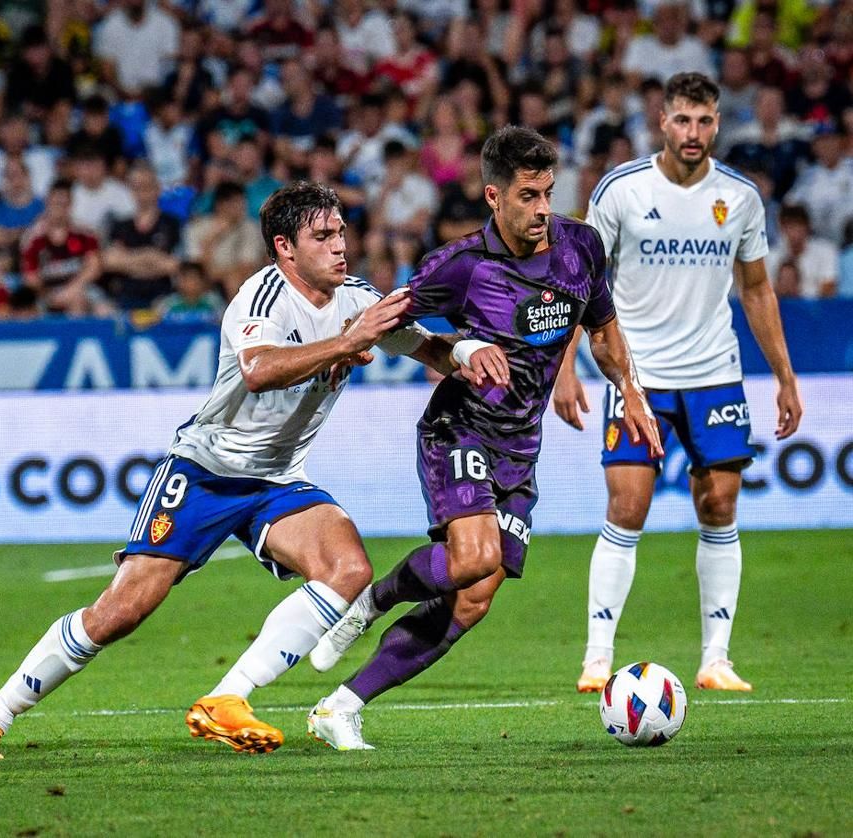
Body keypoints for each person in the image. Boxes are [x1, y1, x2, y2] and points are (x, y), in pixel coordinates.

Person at [0, 181, 460, 759]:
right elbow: (259, 372)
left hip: (276, 480)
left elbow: (425, 348)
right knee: (122, 610)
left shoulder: (355, 299)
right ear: (285, 248)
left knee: (347, 567)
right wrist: (347, 344)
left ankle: (227, 698)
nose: (340, 245)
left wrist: (470, 358)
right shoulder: (260, 297)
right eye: (322, 236)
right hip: (206, 471)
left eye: (341, 232)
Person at [305, 125, 663, 751]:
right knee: (473, 557)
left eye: (549, 193)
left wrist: (630, 390)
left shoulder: (581, 247)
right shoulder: (461, 266)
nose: (544, 210)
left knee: (472, 601)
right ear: (493, 196)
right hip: (460, 426)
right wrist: (348, 348)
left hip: (521, 449)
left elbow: (604, 330)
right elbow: (389, 321)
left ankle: (342, 706)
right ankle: (368, 603)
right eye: (529, 196)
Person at [553, 73, 802, 694]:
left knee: (719, 506)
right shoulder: (622, 190)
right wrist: (564, 367)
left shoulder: (740, 197)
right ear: (662, 121)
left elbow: (755, 288)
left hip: (716, 375)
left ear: (718, 124)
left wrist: (785, 378)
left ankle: (716, 658)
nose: (694, 133)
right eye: (683, 120)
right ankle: (597, 655)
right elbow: (581, 283)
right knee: (627, 507)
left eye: (706, 121)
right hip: (634, 378)